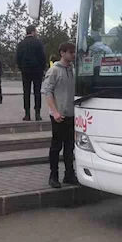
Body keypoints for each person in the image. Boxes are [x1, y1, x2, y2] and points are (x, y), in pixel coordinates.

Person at [42, 42, 77, 188]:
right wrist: (55, 111)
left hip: (71, 114)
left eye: (74, 52)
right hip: (59, 115)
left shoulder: (74, 70)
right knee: (56, 146)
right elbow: (47, 91)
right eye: (70, 52)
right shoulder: (54, 70)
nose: (73, 55)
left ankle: (69, 174)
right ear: (62, 53)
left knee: (70, 147)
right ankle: (53, 175)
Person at [16, 24, 46, 121]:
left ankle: (27, 114)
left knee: (26, 92)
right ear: (33, 31)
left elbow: (17, 58)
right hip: (37, 71)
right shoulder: (38, 43)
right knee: (37, 92)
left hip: (26, 71)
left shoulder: (21, 44)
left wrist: (22, 68)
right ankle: (37, 114)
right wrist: (42, 68)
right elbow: (43, 57)